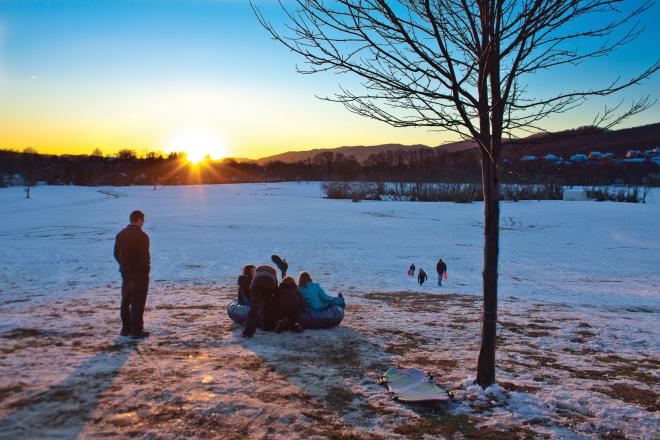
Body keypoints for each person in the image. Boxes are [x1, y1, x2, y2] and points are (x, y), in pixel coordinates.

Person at [114, 210, 150, 339]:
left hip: (126, 274)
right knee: (138, 303)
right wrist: (145, 271)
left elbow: (116, 254)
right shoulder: (142, 236)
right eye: (143, 220)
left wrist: (124, 266)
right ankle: (136, 331)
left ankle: (125, 329)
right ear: (139, 220)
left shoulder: (120, 235)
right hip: (139, 274)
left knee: (126, 301)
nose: (143, 223)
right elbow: (145, 257)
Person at [243, 265, 278, 338]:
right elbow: (276, 286)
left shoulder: (258, 271)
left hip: (256, 284)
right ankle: (267, 326)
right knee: (267, 305)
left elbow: (253, 281)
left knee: (254, 308)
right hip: (269, 284)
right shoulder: (273, 272)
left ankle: (248, 332)